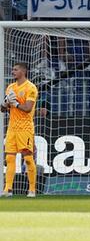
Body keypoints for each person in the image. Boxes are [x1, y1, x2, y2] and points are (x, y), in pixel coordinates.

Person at [2, 62, 39, 197]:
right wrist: (5, 103)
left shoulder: (31, 88)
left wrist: (15, 103)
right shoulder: (10, 87)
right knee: (10, 158)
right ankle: (7, 190)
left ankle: (32, 189)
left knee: (28, 158)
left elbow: (28, 108)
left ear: (23, 72)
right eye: (13, 69)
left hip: (25, 128)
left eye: (15, 70)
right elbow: (3, 109)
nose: (13, 72)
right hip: (12, 128)